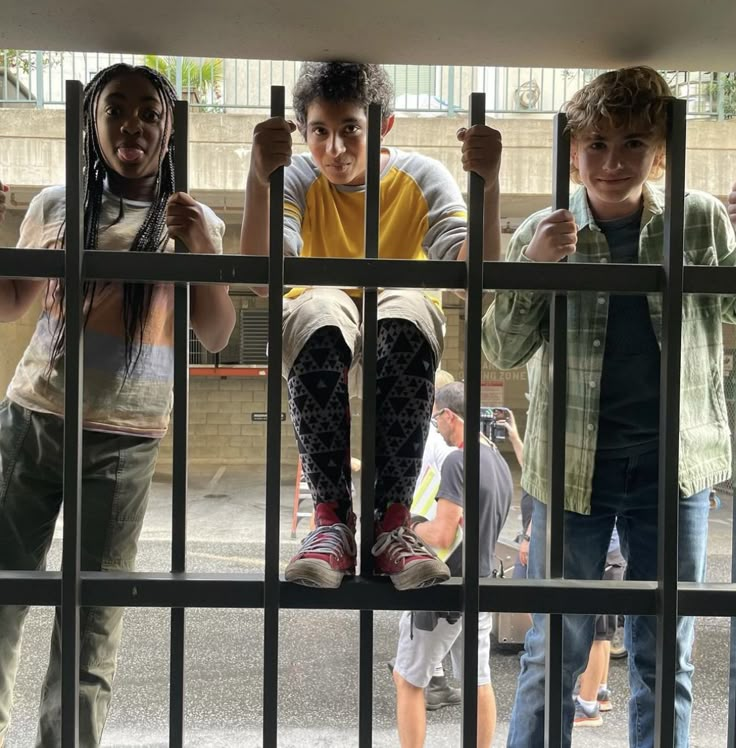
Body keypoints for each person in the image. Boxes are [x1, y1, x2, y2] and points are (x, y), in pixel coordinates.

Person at [483, 66, 735, 747]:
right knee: (551, 652)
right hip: (570, 474)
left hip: (675, 469)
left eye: (632, 143)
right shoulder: (546, 228)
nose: (614, 162)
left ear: (660, 151)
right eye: (597, 144)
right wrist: (533, 267)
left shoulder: (698, 218)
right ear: (572, 151)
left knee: (666, 655)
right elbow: (502, 349)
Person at [0, 64, 235, 748]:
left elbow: (216, 333)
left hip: (125, 440)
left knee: (91, 623)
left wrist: (205, 247)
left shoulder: (191, 219)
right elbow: (13, 302)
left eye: (149, 113)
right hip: (30, 422)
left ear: (168, 131)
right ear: (91, 123)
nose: (132, 123)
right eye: (116, 110)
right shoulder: (55, 203)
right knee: (4, 597)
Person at [240, 62, 503, 590]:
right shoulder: (297, 177)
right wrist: (257, 178)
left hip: (400, 344)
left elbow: (475, 280)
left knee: (405, 303)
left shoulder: (421, 175)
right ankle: (333, 522)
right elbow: (263, 276)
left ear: (383, 126)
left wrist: (490, 188)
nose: (334, 148)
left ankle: (391, 524)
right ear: (304, 130)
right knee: (319, 304)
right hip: (320, 340)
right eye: (319, 132)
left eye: (350, 130)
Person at [391, 382, 513, 747]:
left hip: (443, 590)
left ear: (448, 416)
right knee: (477, 680)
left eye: (435, 420)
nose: (435, 428)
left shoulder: (459, 461)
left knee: (408, 679)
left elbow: (443, 534)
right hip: (479, 583)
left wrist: (409, 524)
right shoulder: (498, 462)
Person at [573, 526, 627, 727]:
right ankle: (600, 692)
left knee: (597, 635)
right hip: (614, 555)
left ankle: (587, 706)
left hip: (604, 554)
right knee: (604, 633)